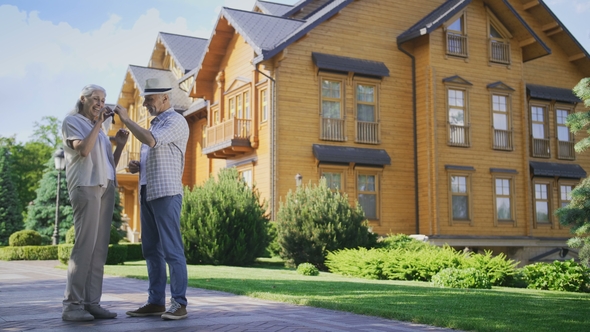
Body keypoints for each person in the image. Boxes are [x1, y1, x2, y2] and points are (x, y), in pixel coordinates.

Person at [115, 78, 190, 320]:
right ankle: (156, 301)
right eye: (146, 99)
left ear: (165, 98)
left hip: (167, 193)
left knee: (171, 250)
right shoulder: (155, 124)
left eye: (150, 99)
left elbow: (151, 141)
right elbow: (157, 150)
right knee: (151, 250)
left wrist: (126, 118)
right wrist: (141, 165)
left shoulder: (176, 121)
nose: (146, 103)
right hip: (147, 190)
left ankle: (179, 303)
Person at [61, 84, 129, 321]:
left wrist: (119, 145)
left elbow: (109, 163)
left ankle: (91, 303)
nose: (100, 103)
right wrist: (100, 123)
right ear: (83, 99)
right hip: (86, 186)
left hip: (106, 186)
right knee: (84, 246)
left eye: (103, 100)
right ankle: (72, 306)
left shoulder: (99, 128)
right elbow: (83, 151)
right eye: (95, 99)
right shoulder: (72, 122)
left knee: (99, 248)